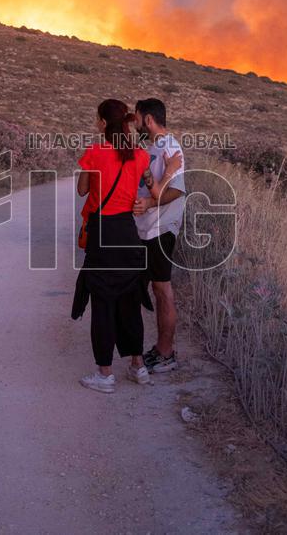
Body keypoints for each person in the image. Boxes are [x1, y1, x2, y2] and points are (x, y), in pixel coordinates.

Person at [72, 99, 182, 394]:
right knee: (130, 299)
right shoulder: (140, 156)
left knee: (103, 301)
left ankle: (105, 374)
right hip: (129, 232)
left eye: (98, 119)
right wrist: (171, 168)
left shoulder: (95, 151)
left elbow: (82, 189)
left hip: (103, 232)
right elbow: (155, 191)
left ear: (103, 123)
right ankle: (138, 366)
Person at [133, 98, 186, 374]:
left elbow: (175, 191)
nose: (135, 122)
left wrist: (150, 203)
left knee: (163, 290)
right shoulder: (154, 147)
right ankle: (155, 350)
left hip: (162, 228)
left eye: (138, 117)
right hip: (148, 228)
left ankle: (166, 354)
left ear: (149, 120)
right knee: (151, 288)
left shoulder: (172, 148)